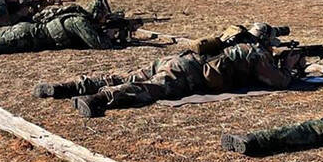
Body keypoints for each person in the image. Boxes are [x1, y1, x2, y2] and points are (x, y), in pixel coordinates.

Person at [35, 23, 306, 118]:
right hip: (187, 73)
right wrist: (291, 67)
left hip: (177, 59)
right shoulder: (254, 52)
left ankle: (67, 87)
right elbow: (278, 81)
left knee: (127, 75)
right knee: (147, 89)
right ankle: (97, 99)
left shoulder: (229, 39)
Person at [0, 0, 113, 66]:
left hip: (26, 29)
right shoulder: (79, 21)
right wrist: (112, 36)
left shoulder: (73, 15)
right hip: (26, 37)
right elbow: (99, 44)